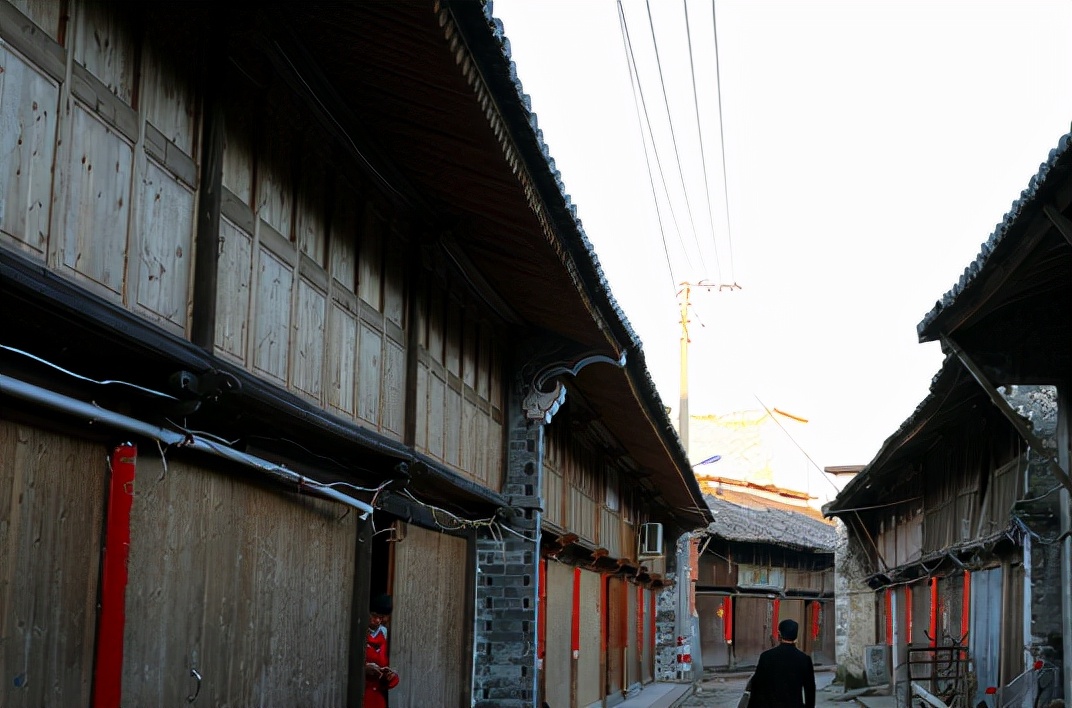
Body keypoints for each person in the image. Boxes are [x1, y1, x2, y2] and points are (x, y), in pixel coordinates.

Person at [747, 619, 815, 708]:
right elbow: (810, 690)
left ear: (779, 635)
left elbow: (757, 687)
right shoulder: (804, 659)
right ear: (796, 636)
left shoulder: (766, 657)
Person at [364, 594, 399, 708]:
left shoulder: (383, 633)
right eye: (374, 615)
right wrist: (364, 669)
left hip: (376, 696)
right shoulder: (358, 630)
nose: (378, 621)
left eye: (382, 617)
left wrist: (388, 676)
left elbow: (382, 663)